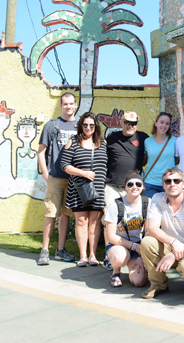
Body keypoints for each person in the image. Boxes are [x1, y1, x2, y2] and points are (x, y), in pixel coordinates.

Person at [139, 167, 184, 298]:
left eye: (177, 181)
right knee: (147, 241)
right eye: (168, 181)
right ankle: (158, 285)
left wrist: (173, 254)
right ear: (163, 185)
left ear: (183, 184)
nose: (172, 184)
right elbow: (151, 228)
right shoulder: (157, 198)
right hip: (170, 245)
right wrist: (173, 243)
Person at [36, 92, 78, 265]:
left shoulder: (80, 125)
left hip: (74, 178)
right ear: (60, 105)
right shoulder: (51, 125)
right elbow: (41, 151)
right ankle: (44, 251)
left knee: (66, 215)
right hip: (56, 177)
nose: (68, 106)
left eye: (71, 103)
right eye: (65, 104)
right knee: (51, 214)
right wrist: (46, 175)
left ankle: (61, 250)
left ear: (75, 105)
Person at [61, 112, 108, 267]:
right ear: (81, 125)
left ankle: (93, 255)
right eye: (85, 125)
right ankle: (82, 256)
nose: (88, 128)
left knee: (95, 222)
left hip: (98, 189)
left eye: (91, 125)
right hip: (79, 188)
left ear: (96, 127)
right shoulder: (73, 142)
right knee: (81, 221)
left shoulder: (103, 143)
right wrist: (83, 173)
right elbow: (64, 165)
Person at [103, 111, 148, 269]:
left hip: (133, 187)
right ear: (121, 123)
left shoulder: (143, 137)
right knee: (110, 221)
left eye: (134, 123)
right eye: (127, 122)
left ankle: (135, 253)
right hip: (112, 185)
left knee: (134, 221)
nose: (131, 126)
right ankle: (109, 256)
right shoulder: (112, 137)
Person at [104, 172, 149, 287]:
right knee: (119, 257)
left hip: (139, 247)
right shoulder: (115, 205)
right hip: (119, 245)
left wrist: (141, 255)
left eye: (138, 184)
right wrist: (134, 246)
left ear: (143, 186)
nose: (134, 187)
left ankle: (135, 266)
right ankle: (116, 272)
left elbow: (149, 232)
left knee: (138, 281)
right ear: (125, 187)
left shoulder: (148, 203)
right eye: (130, 184)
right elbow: (111, 236)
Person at [143, 112, 177, 198]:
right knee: (150, 210)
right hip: (150, 183)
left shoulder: (175, 141)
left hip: (169, 182)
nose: (164, 126)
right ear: (155, 123)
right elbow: (145, 160)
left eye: (167, 124)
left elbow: (178, 159)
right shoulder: (147, 141)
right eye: (161, 122)